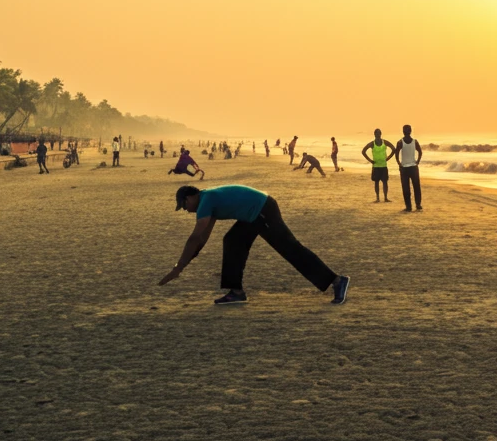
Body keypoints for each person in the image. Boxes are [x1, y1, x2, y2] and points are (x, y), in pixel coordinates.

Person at [159, 184, 350, 305]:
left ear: (189, 197)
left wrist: (178, 268)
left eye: (184, 205)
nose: (185, 210)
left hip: (262, 209)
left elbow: (194, 237)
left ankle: (337, 280)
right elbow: (201, 240)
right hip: (252, 214)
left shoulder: (205, 201)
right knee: (232, 241)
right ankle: (236, 292)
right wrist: (183, 265)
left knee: (290, 249)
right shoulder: (208, 202)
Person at [362, 129, 395, 202]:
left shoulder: (384, 142)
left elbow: (393, 149)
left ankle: (385, 198)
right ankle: (377, 198)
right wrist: (370, 160)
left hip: (383, 165)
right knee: (376, 182)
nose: (378, 135)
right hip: (376, 166)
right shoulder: (372, 143)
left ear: (381, 134)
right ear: (374, 134)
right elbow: (363, 151)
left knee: (385, 182)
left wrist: (388, 157)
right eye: (376, 134)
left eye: (379, 133)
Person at [396, 124, 423, 212]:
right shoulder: (413, 142)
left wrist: (399, 164)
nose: (407, 132)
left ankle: (409, 206)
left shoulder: (400, 142)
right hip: (412, 168)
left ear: (403, 132)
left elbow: (396, 155)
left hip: (406, 168)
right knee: (416, 187)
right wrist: (417, 161)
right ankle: (417, 204)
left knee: (406, 187)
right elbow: (420, 152)